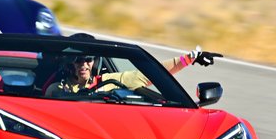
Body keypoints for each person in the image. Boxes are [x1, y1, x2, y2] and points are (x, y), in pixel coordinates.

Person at [44, 46, 220, 97]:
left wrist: (190, 58)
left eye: (88, 60)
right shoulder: (55, 89)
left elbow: (151, 74)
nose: (83, 64)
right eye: (78, 60)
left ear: (93, 62)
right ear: (70, 64)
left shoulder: (109, 80)